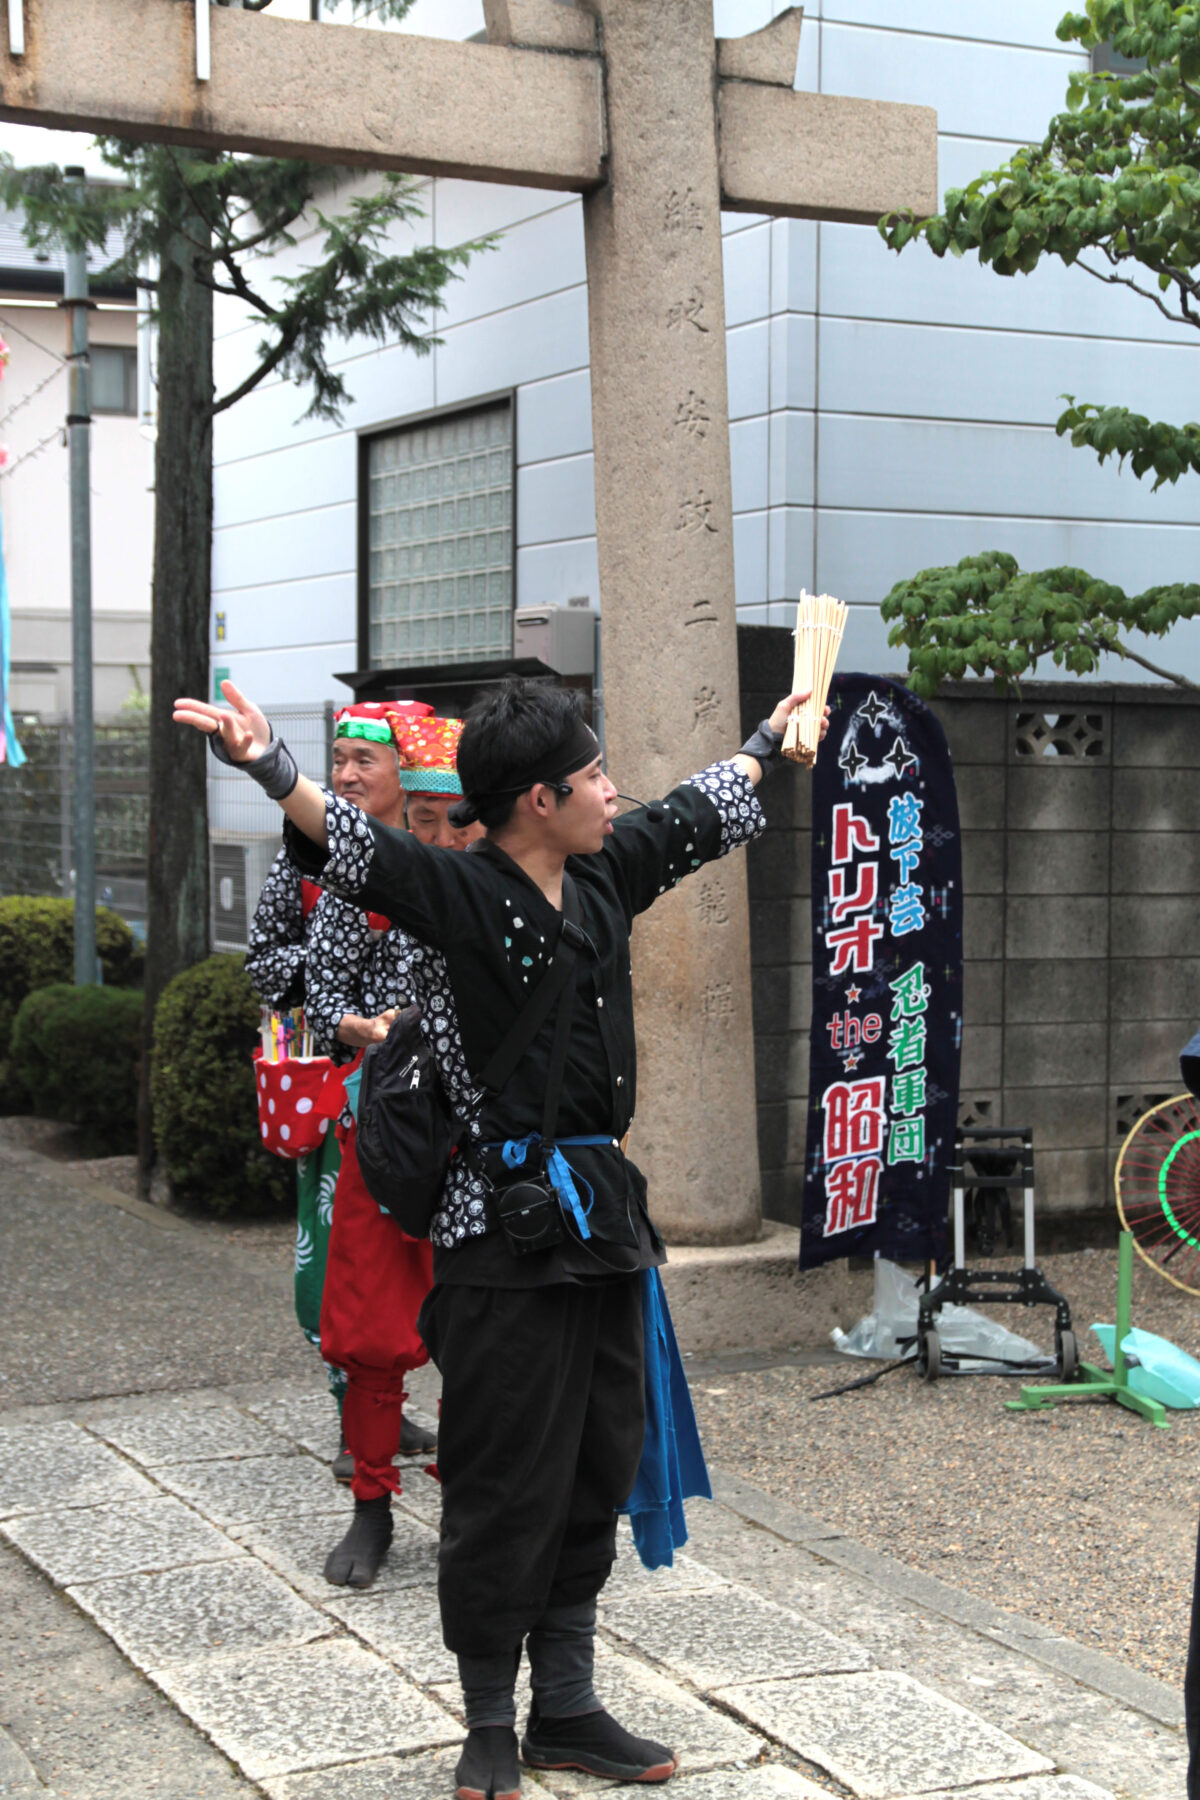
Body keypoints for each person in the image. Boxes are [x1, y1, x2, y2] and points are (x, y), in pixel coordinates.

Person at [175, 673, 825, 1800]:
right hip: (498, 1231)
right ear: (536, 799)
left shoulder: (606, 868)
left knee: (593, 1461)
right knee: (497, 1477)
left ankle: (565, 1704)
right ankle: (486, 1720)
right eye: (592, 776)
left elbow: (697, 813)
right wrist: (268, 764)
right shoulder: (459, 892)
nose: (614, 791)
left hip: (604, 1225)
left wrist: (773, 738)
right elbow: (355, 847)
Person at [307, 713, 481, 1587]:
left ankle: (466, 1509)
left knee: (480, 1333)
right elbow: (315, 1004)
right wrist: (365, 1029)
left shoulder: (509, 888)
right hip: (384, 1128)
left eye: (459, 818)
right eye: (424, 816)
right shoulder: (355, 883)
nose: (442, 834)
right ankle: (370, 1506)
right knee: (375, 1332)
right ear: (403, 809)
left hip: (482, 1143)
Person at [244, 698, 436, 1480]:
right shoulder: (305, 853)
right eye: (342, 761)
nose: (348, 775)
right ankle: (352, 1414)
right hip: (338, 1086)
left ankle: (394, 1410)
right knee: (337, 1262)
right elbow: (264, 964)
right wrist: (344, 1009)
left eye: (367, 762)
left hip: (427, 1091)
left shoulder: (445, 853)